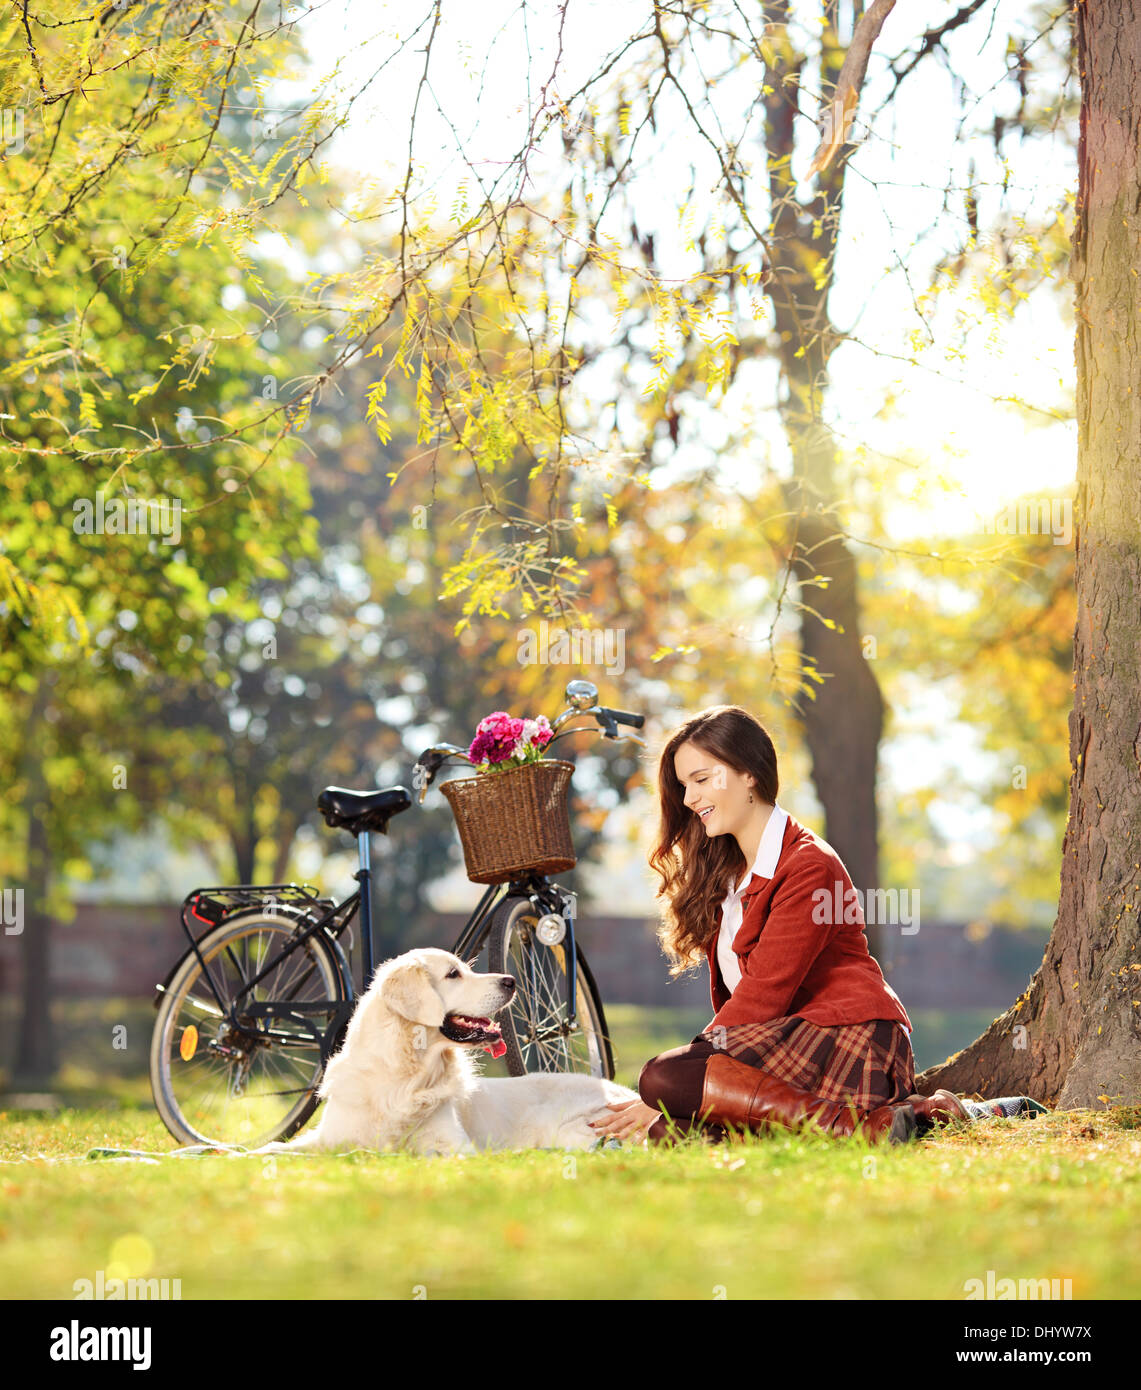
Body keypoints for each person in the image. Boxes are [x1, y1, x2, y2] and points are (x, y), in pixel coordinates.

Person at [588, 704, 975, 1148]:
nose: (690, 799)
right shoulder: (729, 875)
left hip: (847, 1039)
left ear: (749, 773)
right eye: (683, 786)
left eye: (701, 779)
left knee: (662, 1076)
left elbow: (763, 995)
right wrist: (673, 1095)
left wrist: (670, 1086)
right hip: (786, 1050)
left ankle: (859, 1130)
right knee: (667, 1131)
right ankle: (908, 1119)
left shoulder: (808, 864)